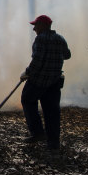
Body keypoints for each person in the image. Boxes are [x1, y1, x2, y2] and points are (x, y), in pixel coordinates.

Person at [20, 15, 71, 151]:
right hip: (54, 82)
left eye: (36, 26)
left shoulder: (40, 39)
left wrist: (26, 73)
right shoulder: (60, 39)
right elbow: (67, 55)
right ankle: (53, 144)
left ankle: (37, 133)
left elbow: (37, 61)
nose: (34, 29)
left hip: (38, 81)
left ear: (43, 25)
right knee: (52, 112)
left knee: (27, 100)